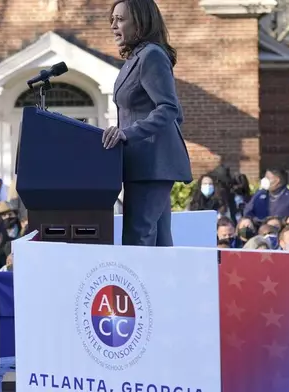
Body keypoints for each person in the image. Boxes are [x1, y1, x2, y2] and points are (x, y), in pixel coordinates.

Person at [102, 0, 192, 247]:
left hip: (152, 165)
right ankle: (167, 287)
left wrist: (128, 134)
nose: (113, 26)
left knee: (137, 238)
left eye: (120, 19)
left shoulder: (152, 55)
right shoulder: (136, 58)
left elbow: (170, 108)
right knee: (160, 242)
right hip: (144, 163)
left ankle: (141, 288)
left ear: (140, 22)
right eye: (112, 19)